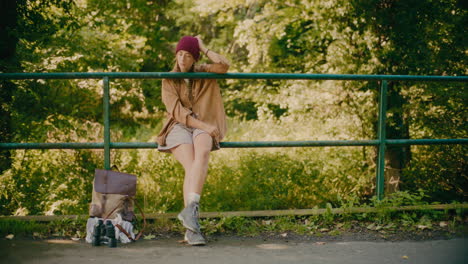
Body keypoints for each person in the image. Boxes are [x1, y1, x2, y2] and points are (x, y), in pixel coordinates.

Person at [156, 36, 229, 245]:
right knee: (191, 166)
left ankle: (190, 214)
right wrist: (205, 127)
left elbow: (224, 65)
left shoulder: (204, 70)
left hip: (204, 121)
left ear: (194, 58)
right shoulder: (169, 77)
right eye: (180, 54)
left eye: (188, 55)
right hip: (178, 125)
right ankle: (192, 229)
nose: (183, 59)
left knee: (203, 152)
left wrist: (203, 48)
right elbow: (177, 111)